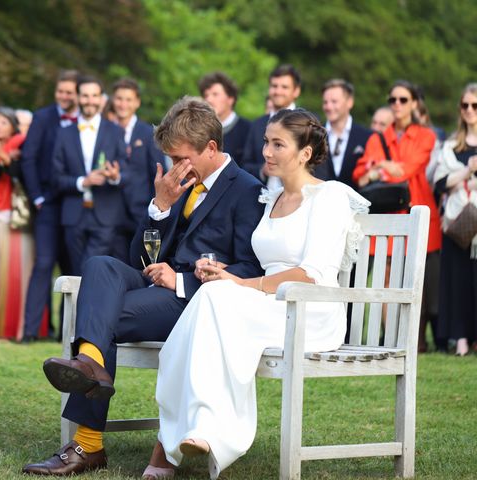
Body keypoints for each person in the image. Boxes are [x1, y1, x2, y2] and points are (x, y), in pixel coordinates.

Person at [22, 96, 265, 476]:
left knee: (103, 316)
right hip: (153, 284)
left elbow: (249, 266)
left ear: (211, 148)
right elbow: (139, 256)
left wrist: (182, 279)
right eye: (169, 158)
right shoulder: (178, 183)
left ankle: (87, 443)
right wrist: (160, 206)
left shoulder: (247, 190)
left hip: (195, 303)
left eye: (180, 157)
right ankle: (90, 364)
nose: (173, 167)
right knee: (100, 264)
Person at [142, 108, 369, 480]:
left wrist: (238, 285)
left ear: (305, 153)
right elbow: (262, 265)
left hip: (310, 311)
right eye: (266, 141)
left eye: (278, 144)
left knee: (213, 299)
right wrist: (220, 272)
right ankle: (198, 429)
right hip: (267, 303)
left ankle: (179, 439)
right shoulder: (272, 198)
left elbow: (310, 274)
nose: (267, 151)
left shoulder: (327, 198)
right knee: (210, 295)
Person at [352, 81, 441, 353]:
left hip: (419, 212)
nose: (397, 105)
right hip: (390, 216)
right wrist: (385, 167)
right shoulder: (377, 137)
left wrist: (379, 168)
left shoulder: (426, 136)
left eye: (403, 100)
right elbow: (360, 174)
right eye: (393, 100)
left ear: (414, 103)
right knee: (387, 278)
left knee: (419, 282)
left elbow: (409, 169)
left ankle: (418, 339)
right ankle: (391, 338)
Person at [20, 69, 79, 342]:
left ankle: (67, 333)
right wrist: (37, 197)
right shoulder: (42, 117)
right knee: (43, 264)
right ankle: (31, 331)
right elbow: (28, 157)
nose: (64, 96)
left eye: (70, 91)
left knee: (73, 267)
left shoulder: (87, 122)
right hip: (49, 204)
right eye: (61, 91)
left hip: (77, 205)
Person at [51, 75, 127, 275]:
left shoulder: (116, 132)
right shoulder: (63, 133)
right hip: (73, 215)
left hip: (105, 214)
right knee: (75, 271)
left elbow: (128, 172)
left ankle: (88, 306)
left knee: (91, 268)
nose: (90, 100)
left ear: (102, 98)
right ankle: (77, 307)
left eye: (94, 96)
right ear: (77, 98)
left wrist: (116, 176)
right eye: (85, 96)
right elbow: (55, 177)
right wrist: (82, 181)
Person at [0, 107, 33, 341]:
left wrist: (3, 156)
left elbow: (18, 173)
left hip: (15, 218)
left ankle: (16, 328)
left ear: (12, 126)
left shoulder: (22, 145)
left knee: (16, 273)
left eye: (3, 122)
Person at [433, 83, 477, 356]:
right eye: (465, 105)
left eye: (475, 105)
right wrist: (467, 170)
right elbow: (439, 182)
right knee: (458, 281)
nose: (470, 110)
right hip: (459, 222)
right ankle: (459, 336)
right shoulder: (451, 146)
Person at [111, 77, 163, 261]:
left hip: (139, 209)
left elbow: (156, 170)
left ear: (137, 102)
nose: (123, 104)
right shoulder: (105, 131)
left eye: (128, 99)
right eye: (119, 98)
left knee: (139, 261)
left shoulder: (147, 132)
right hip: (110, 211)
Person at [242, 64, 301, 187]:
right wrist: (262, 170)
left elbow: (319, 166)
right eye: (274, 86)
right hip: (262, 198)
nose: (278, 91)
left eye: (284, 87)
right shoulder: (257, 125)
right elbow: (245, 165)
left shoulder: (307, 122)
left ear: (296, 91)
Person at [314, 79, 371, 189]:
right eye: (325, 102)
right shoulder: (315, 136)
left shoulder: (366, 136)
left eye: (334, 101)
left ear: (349, 102)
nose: (329, 107)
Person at [198, 71, 251, 167]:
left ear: (230, 99)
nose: (209, 100)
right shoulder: (199, 131)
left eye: (215, 94)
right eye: (206, 95)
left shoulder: (248, 129)